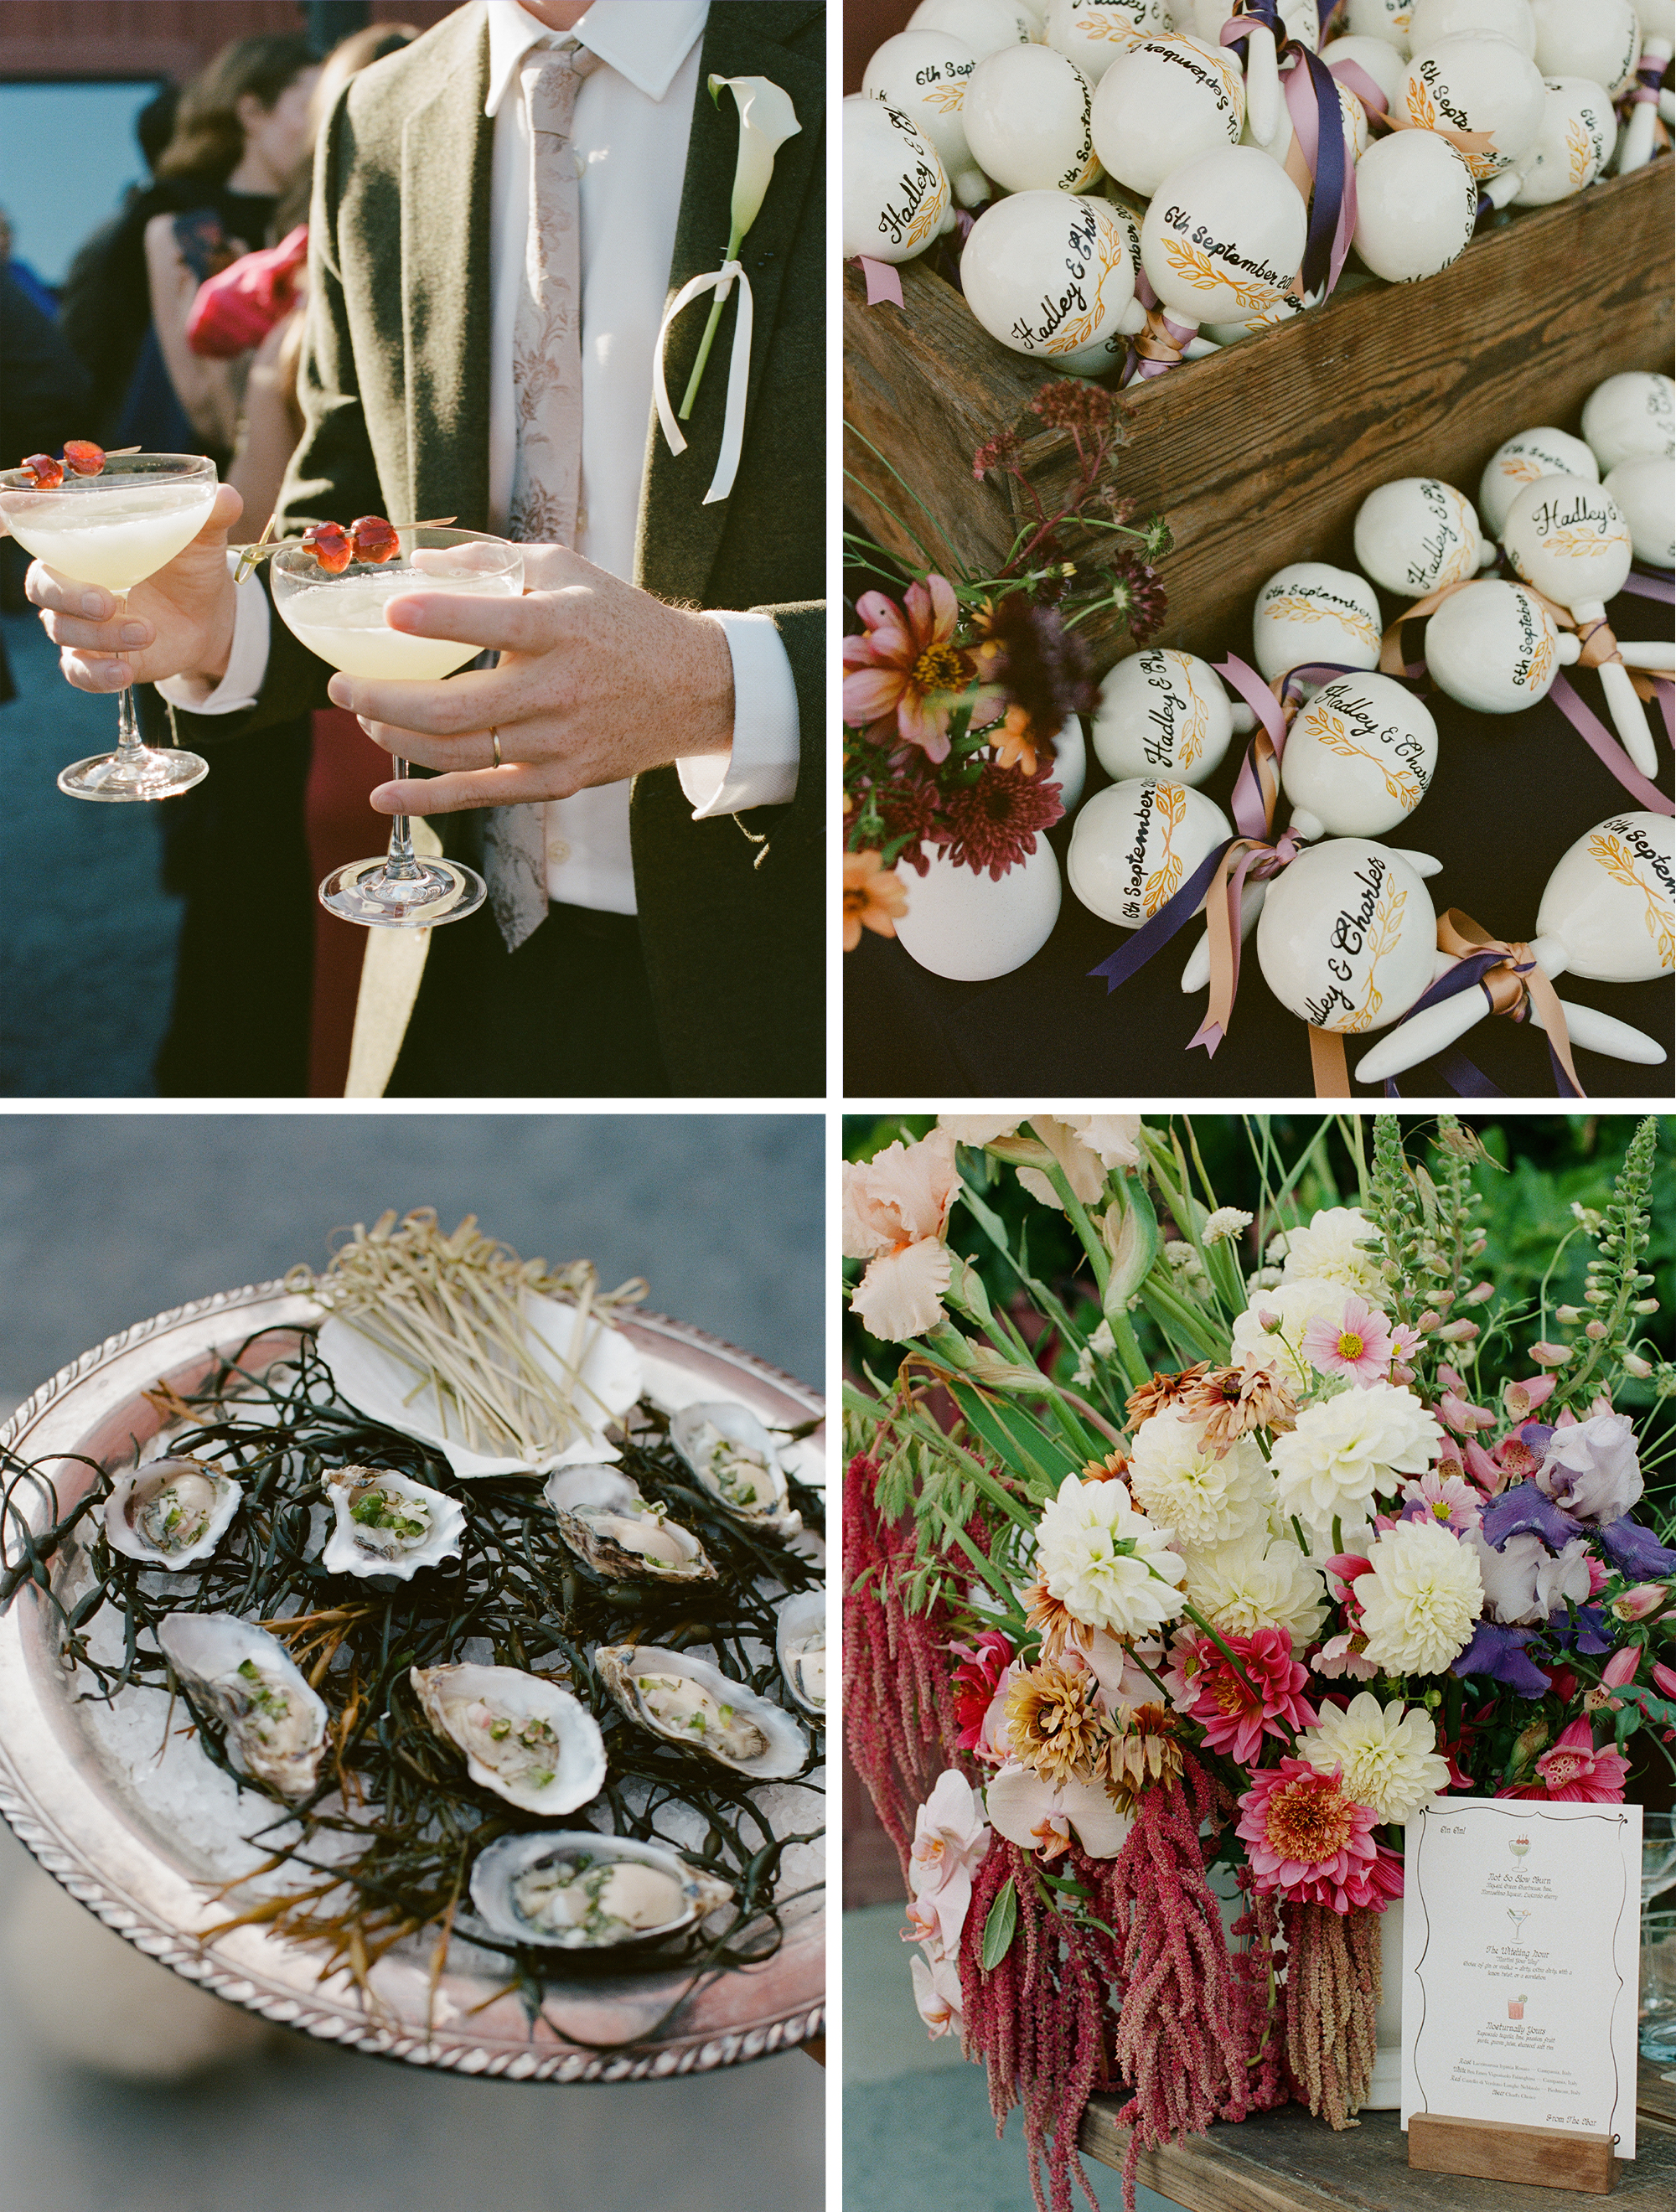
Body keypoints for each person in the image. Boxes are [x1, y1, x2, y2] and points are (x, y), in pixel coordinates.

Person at [23, 0, 824, 1099]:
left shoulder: (840, 51)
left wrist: (728, 689)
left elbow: (1052, 585)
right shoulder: (381, 113)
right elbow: (352, 516)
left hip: (795, 974)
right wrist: (227, 623)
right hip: (455, 960)